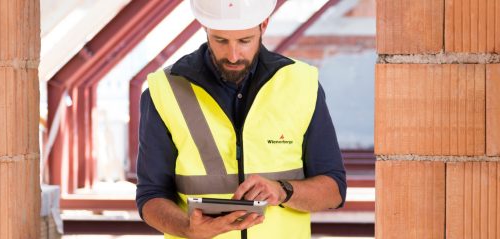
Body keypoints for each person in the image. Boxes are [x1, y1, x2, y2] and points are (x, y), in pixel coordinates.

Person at [134, 0, 347, 238]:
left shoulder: (301, 84)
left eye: (244, 41)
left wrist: (283, 190)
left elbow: (334, 190)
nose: (233, 55)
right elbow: (150, 195)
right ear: (205, 27)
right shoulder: (164, 90)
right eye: (221, 40)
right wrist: (187, 228)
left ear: (263, 25)